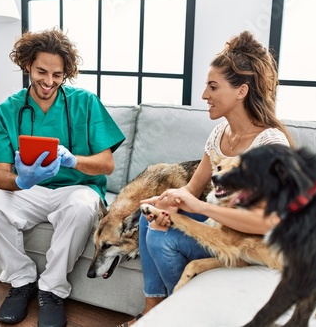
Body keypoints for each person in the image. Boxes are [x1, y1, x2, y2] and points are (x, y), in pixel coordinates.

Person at [117, 30, 294, 327]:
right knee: (152, 219)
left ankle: (181, 316)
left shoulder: (270, 144)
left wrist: (200, 208)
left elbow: (268, 223)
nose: (204, 96)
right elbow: (192, 188)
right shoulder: (219, 135)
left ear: (241, 91)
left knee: (163, 240)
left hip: (253, 243)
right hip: (223, 229)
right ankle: (154, 308)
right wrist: (167, 202)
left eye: (213, 87)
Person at [0, 28, 125, 327]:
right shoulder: (10, 108)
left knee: (82, 207)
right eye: (41, 71)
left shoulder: (85, 102)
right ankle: (21, 281)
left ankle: (51, 289)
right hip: (29, 191)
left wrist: (74, 160)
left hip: (76, 188)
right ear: (27, 65)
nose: (48, 81)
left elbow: (107, 164)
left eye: (57, 74)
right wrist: (22, 180)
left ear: (66, 73)